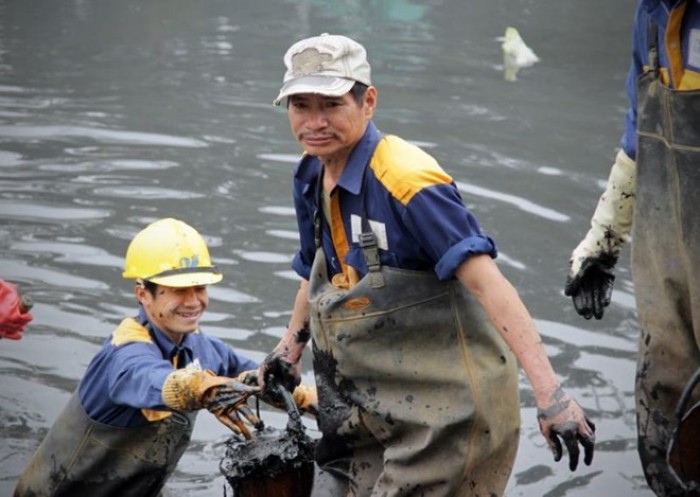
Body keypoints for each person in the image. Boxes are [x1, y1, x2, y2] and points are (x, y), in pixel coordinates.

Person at [258, 33, 596, 497]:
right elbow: (317, 271)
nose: (314, 122)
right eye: (301, 106)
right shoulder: (309, 173)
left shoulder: (408, 180)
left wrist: (550, 396)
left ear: (368, 101)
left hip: (451, 420)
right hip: (371, 408)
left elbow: (489, 285)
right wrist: (288, 351)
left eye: (331, 105)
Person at [13, 218, 264, 497]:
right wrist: (199, 388)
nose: (194, 302)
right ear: (143, 293)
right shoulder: (124, 353)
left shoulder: (201, 348)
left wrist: (301, 394)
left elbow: (254, 376)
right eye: (180, 290)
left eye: (200, 288)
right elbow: (149, 377)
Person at [564, 1, 700, 495]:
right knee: (665, 414)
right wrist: (603, 238)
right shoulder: (649, 16)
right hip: (669, 274)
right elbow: (637, 135)